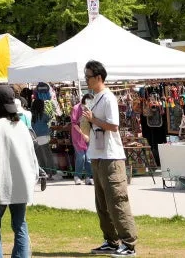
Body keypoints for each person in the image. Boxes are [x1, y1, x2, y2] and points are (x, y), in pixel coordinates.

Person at [79, 61, 136, 256]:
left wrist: (93, 119)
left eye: (88, 76)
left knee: (117, 201)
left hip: (111, 156)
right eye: (85, 76)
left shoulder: (108, 98)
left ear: (98, 77)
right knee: (102, 204)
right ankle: (111, 241)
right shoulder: (95, 98)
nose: (86, 79)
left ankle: (128, 244)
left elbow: (113, 126)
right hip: (96, 155)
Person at [0, 89, 37, 258]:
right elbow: (32, 158)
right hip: (22, 183)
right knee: (20, 226)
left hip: (1, 183)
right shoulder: (22, 126)